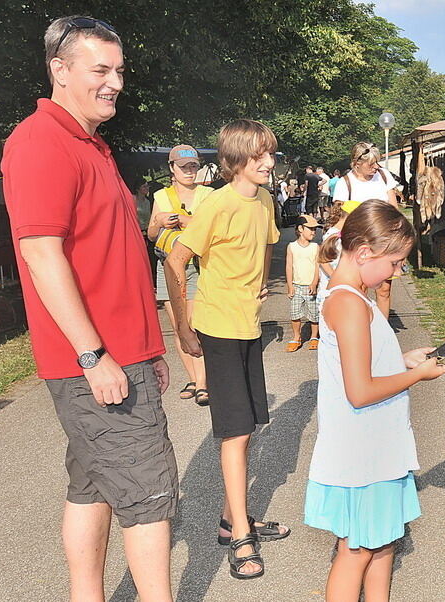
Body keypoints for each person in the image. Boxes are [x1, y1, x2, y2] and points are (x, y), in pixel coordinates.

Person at [1, 15, 176, 601]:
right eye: (100, 69)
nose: (115, 82)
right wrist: (94, 353)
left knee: (92, 488)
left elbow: (117, 260)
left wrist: (149, 349)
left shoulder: (91, 145)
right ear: (60, 70)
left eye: (119, 70)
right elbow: (40, 255)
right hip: (97, 360)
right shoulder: (39, 141)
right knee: (148, 497)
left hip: (121, 355)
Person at [304, 200, 445, 602]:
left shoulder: (355, 295)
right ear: (365, 253)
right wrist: (416, 376)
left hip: (377, 448)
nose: (397, 272)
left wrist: (402, 361)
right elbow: (360, 390)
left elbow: (360, 365)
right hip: (363, 453)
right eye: (395, 262)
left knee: (383, 545)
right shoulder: (349, 302)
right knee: (358, 551)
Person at [165, 119, 290, 580]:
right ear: (235, 160)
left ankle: (229, 518)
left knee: (249, 426)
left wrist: (259, 289)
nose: (268, 164)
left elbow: (265, 248)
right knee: (234, 433)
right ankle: (240, 534)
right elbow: (176, 260)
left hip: (248, 327)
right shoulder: (216, 204)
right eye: (259, 157)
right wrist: (182, 326)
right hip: (216, 327)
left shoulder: (266, 202)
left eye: (270, 156)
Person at [147, 145, 212, 406]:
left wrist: (187, 221)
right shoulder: (161, 196)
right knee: (177, 326)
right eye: (184, 167)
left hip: (196, 264)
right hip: (168, 266)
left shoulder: (208, 194)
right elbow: (151, 235)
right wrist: (158, 222)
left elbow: (214, 229)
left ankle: (203, 383)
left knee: (194, 323)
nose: (189, 171)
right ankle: (194, 379)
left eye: (193, 166)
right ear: (172, 169)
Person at [332, 143, 401, 319]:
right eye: (371, 164)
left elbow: (394, 208)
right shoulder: (344, 183)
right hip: (359, 243)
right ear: (357, 163)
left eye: (377, 162)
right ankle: (361, 326)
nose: (376, 167)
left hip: (384, 241)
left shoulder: (383, 176)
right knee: (360, 287)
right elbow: (339, 217)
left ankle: (383, 330)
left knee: (384, 289)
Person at [286, 215, 321, 352]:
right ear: (300, 229)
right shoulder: (292, 247)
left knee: (313, 313)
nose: (313, 232)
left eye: (315, 229)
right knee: (295, 314)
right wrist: (290, 285)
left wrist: (314, 283)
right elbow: (289, 267)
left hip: (310, 286)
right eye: (311, 229)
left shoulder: (315, 247)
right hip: (296, 285)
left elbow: (318, 266)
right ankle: (296, 336)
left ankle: (314, 336)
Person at [130, 176, 158, 286]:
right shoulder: (133, 199)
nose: (147, 188)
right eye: (144, 186)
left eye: (148, 186)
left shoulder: (147, 202)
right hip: (136, 232)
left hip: (146, 232)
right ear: (138, 188)